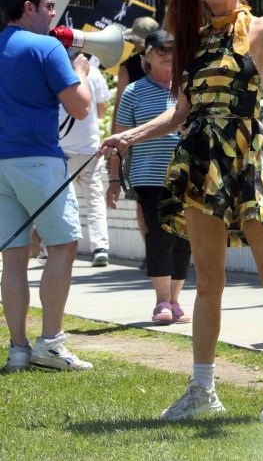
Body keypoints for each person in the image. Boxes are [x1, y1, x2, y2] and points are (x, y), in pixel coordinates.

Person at [99, 0, 263, 422]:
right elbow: (180, 112)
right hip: (203, 162)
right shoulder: (195, 42)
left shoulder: (260, 28)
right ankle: (202, 388)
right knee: (209, 281)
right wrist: (128, 136)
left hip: (249, 158)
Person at [0, 0, 93, 372]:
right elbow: (81, 107)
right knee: (63, 246)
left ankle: (17, 349)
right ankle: (51, 344)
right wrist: (83, 72)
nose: (54, 13)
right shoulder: (46, 48)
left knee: (14, 256)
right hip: (39, 160)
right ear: (28, 8)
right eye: (49, 5)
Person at [106, 29, 191, 323]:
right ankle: (161, 301)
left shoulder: (188, 88)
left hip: (187, 176)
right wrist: (114, 179)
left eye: (172, 49)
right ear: (146, 57)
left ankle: (176, 300)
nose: (168, 55)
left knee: (184, 238)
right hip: (148, 176)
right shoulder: (134, 92)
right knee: (159, 236)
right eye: (160, 50)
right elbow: (118, 139)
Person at [112, 15, 159, 265]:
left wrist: (116, 140)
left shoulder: (127, 67)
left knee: (143, 201)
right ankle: (160, 253)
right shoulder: (169, 63)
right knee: (148, 199)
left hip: (138, 140)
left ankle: (154, 253)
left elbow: (120, 106)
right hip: (154, 139)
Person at [60, 61, 111, 267]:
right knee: (95, 199)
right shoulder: (96, 72)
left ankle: (53, 246)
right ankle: (100, 247)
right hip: (90, 148)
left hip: (61, 148)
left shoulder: (56, 68)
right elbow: (101, 110)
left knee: (61, 200)